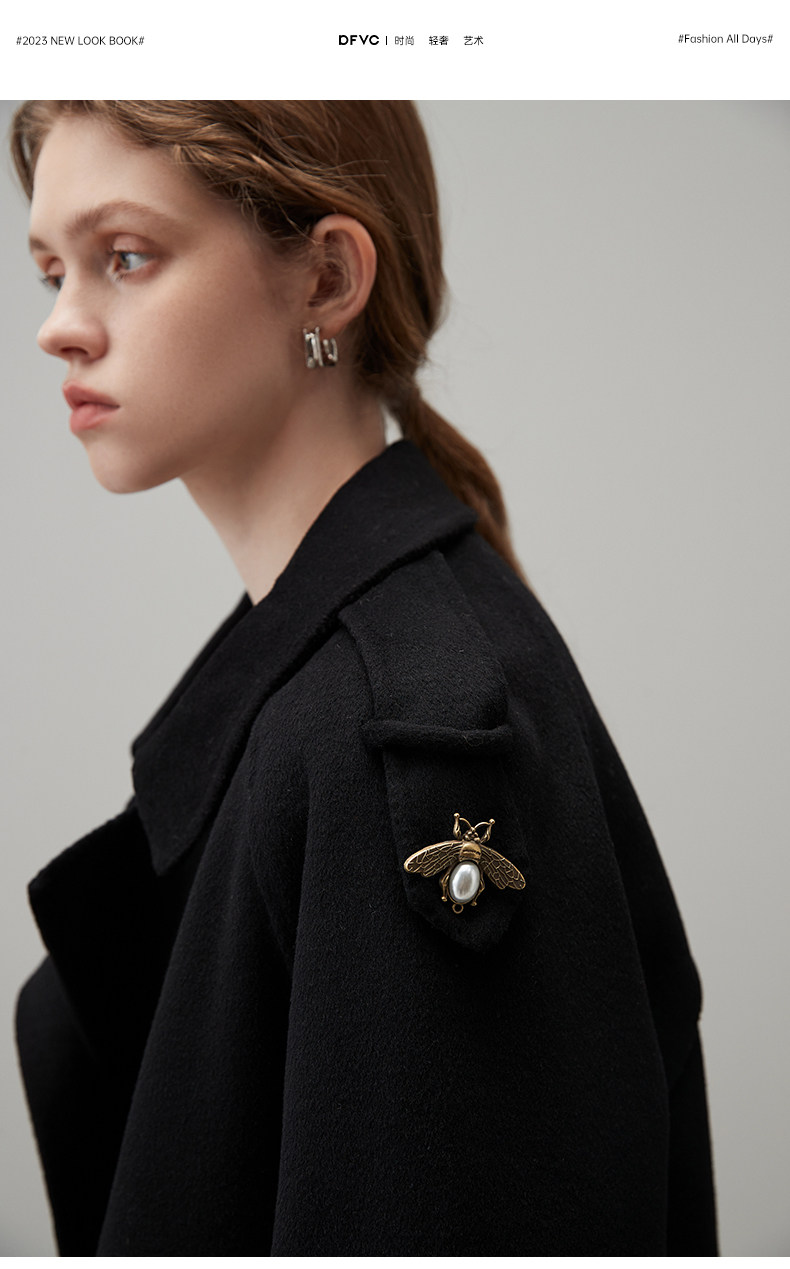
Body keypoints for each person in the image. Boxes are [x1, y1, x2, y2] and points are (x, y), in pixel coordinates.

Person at [11, 100, 718, 1256]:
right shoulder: (337, 693)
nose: (59, 328)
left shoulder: (398, 741)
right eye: (52, 270)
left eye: (124, 256)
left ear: (328, 279)